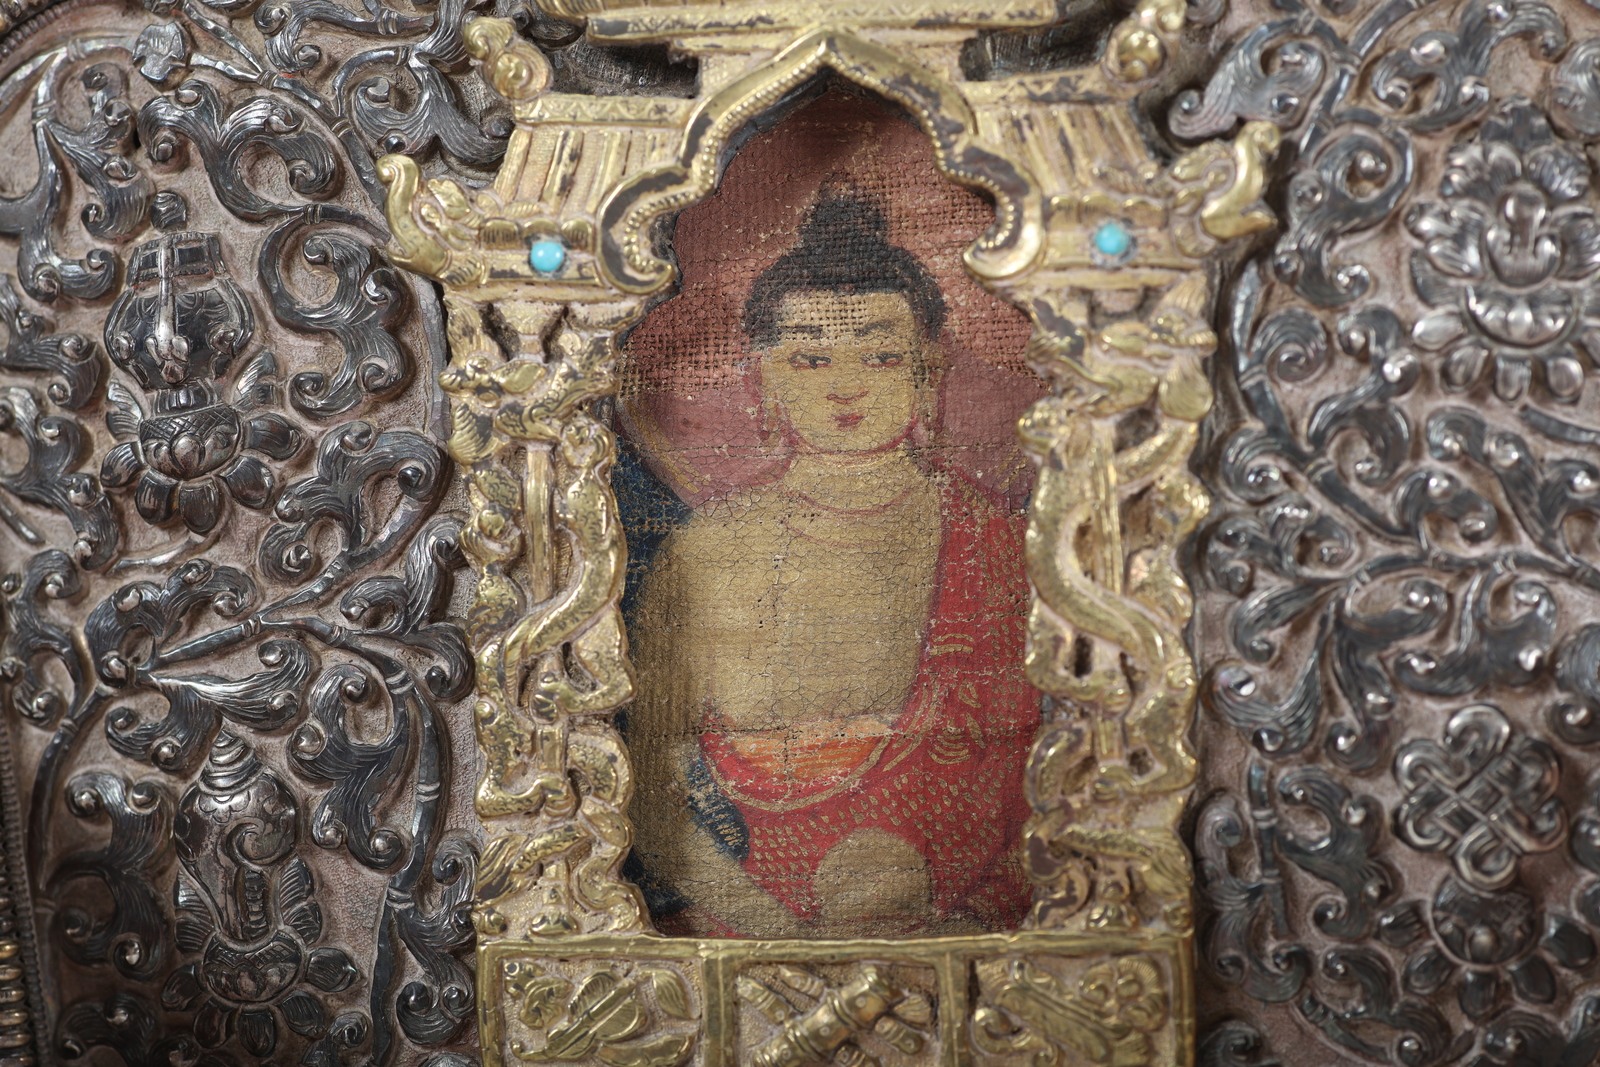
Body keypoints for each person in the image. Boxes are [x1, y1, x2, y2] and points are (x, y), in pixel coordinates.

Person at [626, 186, 1038, 938]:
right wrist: (781, 941)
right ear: (764, 378)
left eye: (880, 354)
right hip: (742, 926)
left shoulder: (995, 546)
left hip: (958, 932)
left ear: (927, 372)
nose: (846, 386)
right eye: (811, 357)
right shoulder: (708, 549)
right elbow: (650, 793)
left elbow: (1048, 776)